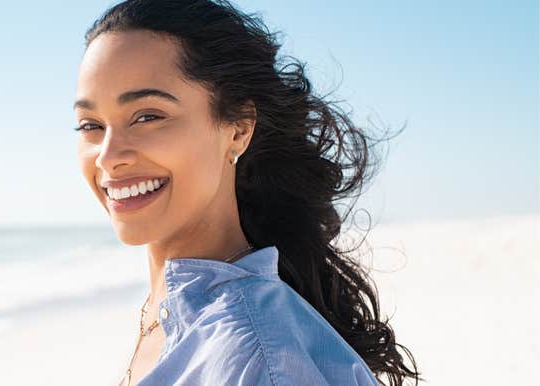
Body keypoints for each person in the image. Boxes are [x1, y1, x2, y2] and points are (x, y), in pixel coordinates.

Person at [73, 1, 422, 385]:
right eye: (90, 125)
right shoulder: (174, 311)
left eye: (148, 117)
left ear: (238, 127)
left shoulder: (254, 356)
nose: (108, 157)